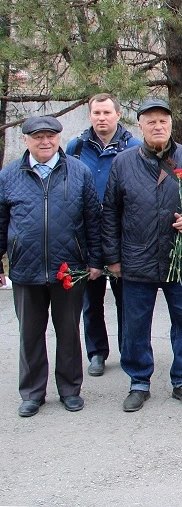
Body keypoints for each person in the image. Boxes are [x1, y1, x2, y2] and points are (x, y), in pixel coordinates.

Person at [102, 98, 182, 412]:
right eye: (150, 121)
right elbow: (111, 212)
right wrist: (113, 258)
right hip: (137, 259)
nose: (157, 126)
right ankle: (138, 381)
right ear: (140, 126)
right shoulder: (123, 163)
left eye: (163, 120)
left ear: (171, 124)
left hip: (181, 259)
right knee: (135, 324)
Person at [1, 116, 103, 417]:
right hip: (25, 269)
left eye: (50, 136)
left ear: (59, 138)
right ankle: (32, 392)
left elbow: (92, 221)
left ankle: (70, 389)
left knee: (68, 331)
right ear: (25, 141)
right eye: (38, 137)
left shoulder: (78, 171)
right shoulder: (9, 175)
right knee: (30, 334)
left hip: (68, 269)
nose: (45, 142)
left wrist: (95, 260)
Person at [65, 93, 142, 377]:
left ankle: (128, 350)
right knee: (91, 298)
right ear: (90, 116)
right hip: (87, 233)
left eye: (107, 112)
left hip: (123, 232)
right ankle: (97, 351)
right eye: (96, 113)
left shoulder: (134, 147)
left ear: (118, 115)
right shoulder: (76, 147)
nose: (101, 118)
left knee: (127, 297)